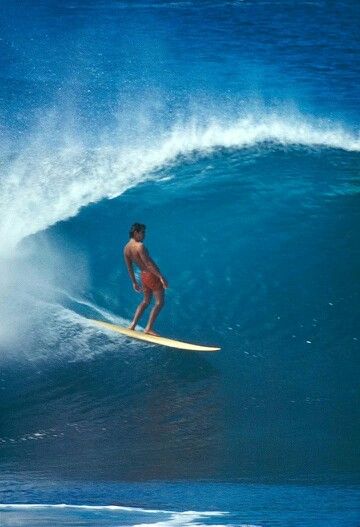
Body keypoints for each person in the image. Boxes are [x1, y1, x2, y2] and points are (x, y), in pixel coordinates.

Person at [124, 223, 168, 336]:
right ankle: (148, 328)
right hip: (152, 276)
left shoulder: (126, 248)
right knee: (159, 303)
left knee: (145, 301)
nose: (144, 234)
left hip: (143, 276)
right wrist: (160, 276)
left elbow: (129, 267)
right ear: (136, 233)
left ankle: (133, 325)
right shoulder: (140, 246)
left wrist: (134, 282)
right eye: (142, 232)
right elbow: (148, 264)